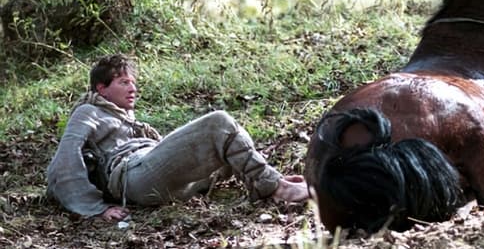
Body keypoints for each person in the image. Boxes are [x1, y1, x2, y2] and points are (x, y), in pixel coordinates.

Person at [47, 53, 309, 222]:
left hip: (158, 179)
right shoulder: (87, 111)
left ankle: (267, 185)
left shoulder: (127, 118)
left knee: (232, 137)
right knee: (219, 123)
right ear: (101, 89)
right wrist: (96, 208)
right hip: (133, 176)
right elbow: (63, 164)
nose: (133, 88)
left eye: (133, 82)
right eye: (123, 82)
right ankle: (279, 188)